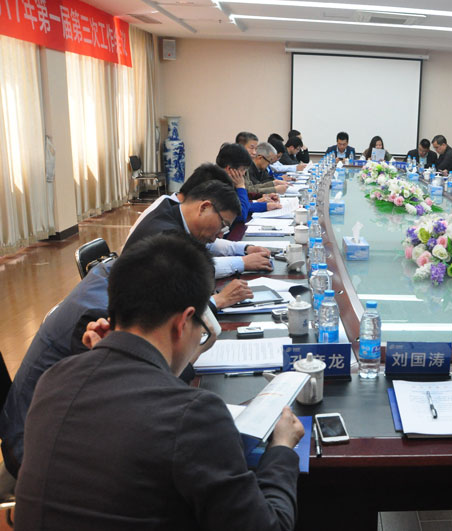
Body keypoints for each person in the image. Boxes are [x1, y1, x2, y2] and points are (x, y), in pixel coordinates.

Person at [14, 233, 304, 531]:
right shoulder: (194, 414)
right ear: (183, 322)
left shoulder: (54, 380)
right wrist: (282, 448)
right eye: (201, 328)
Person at [125, 163, 275, 278]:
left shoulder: (175, 209)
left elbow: (205, 243)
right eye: (223, 225)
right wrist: (242, 263)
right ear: (204, 206)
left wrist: (244, 248)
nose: (221, 235)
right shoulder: (165, 234)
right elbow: (194, 270)